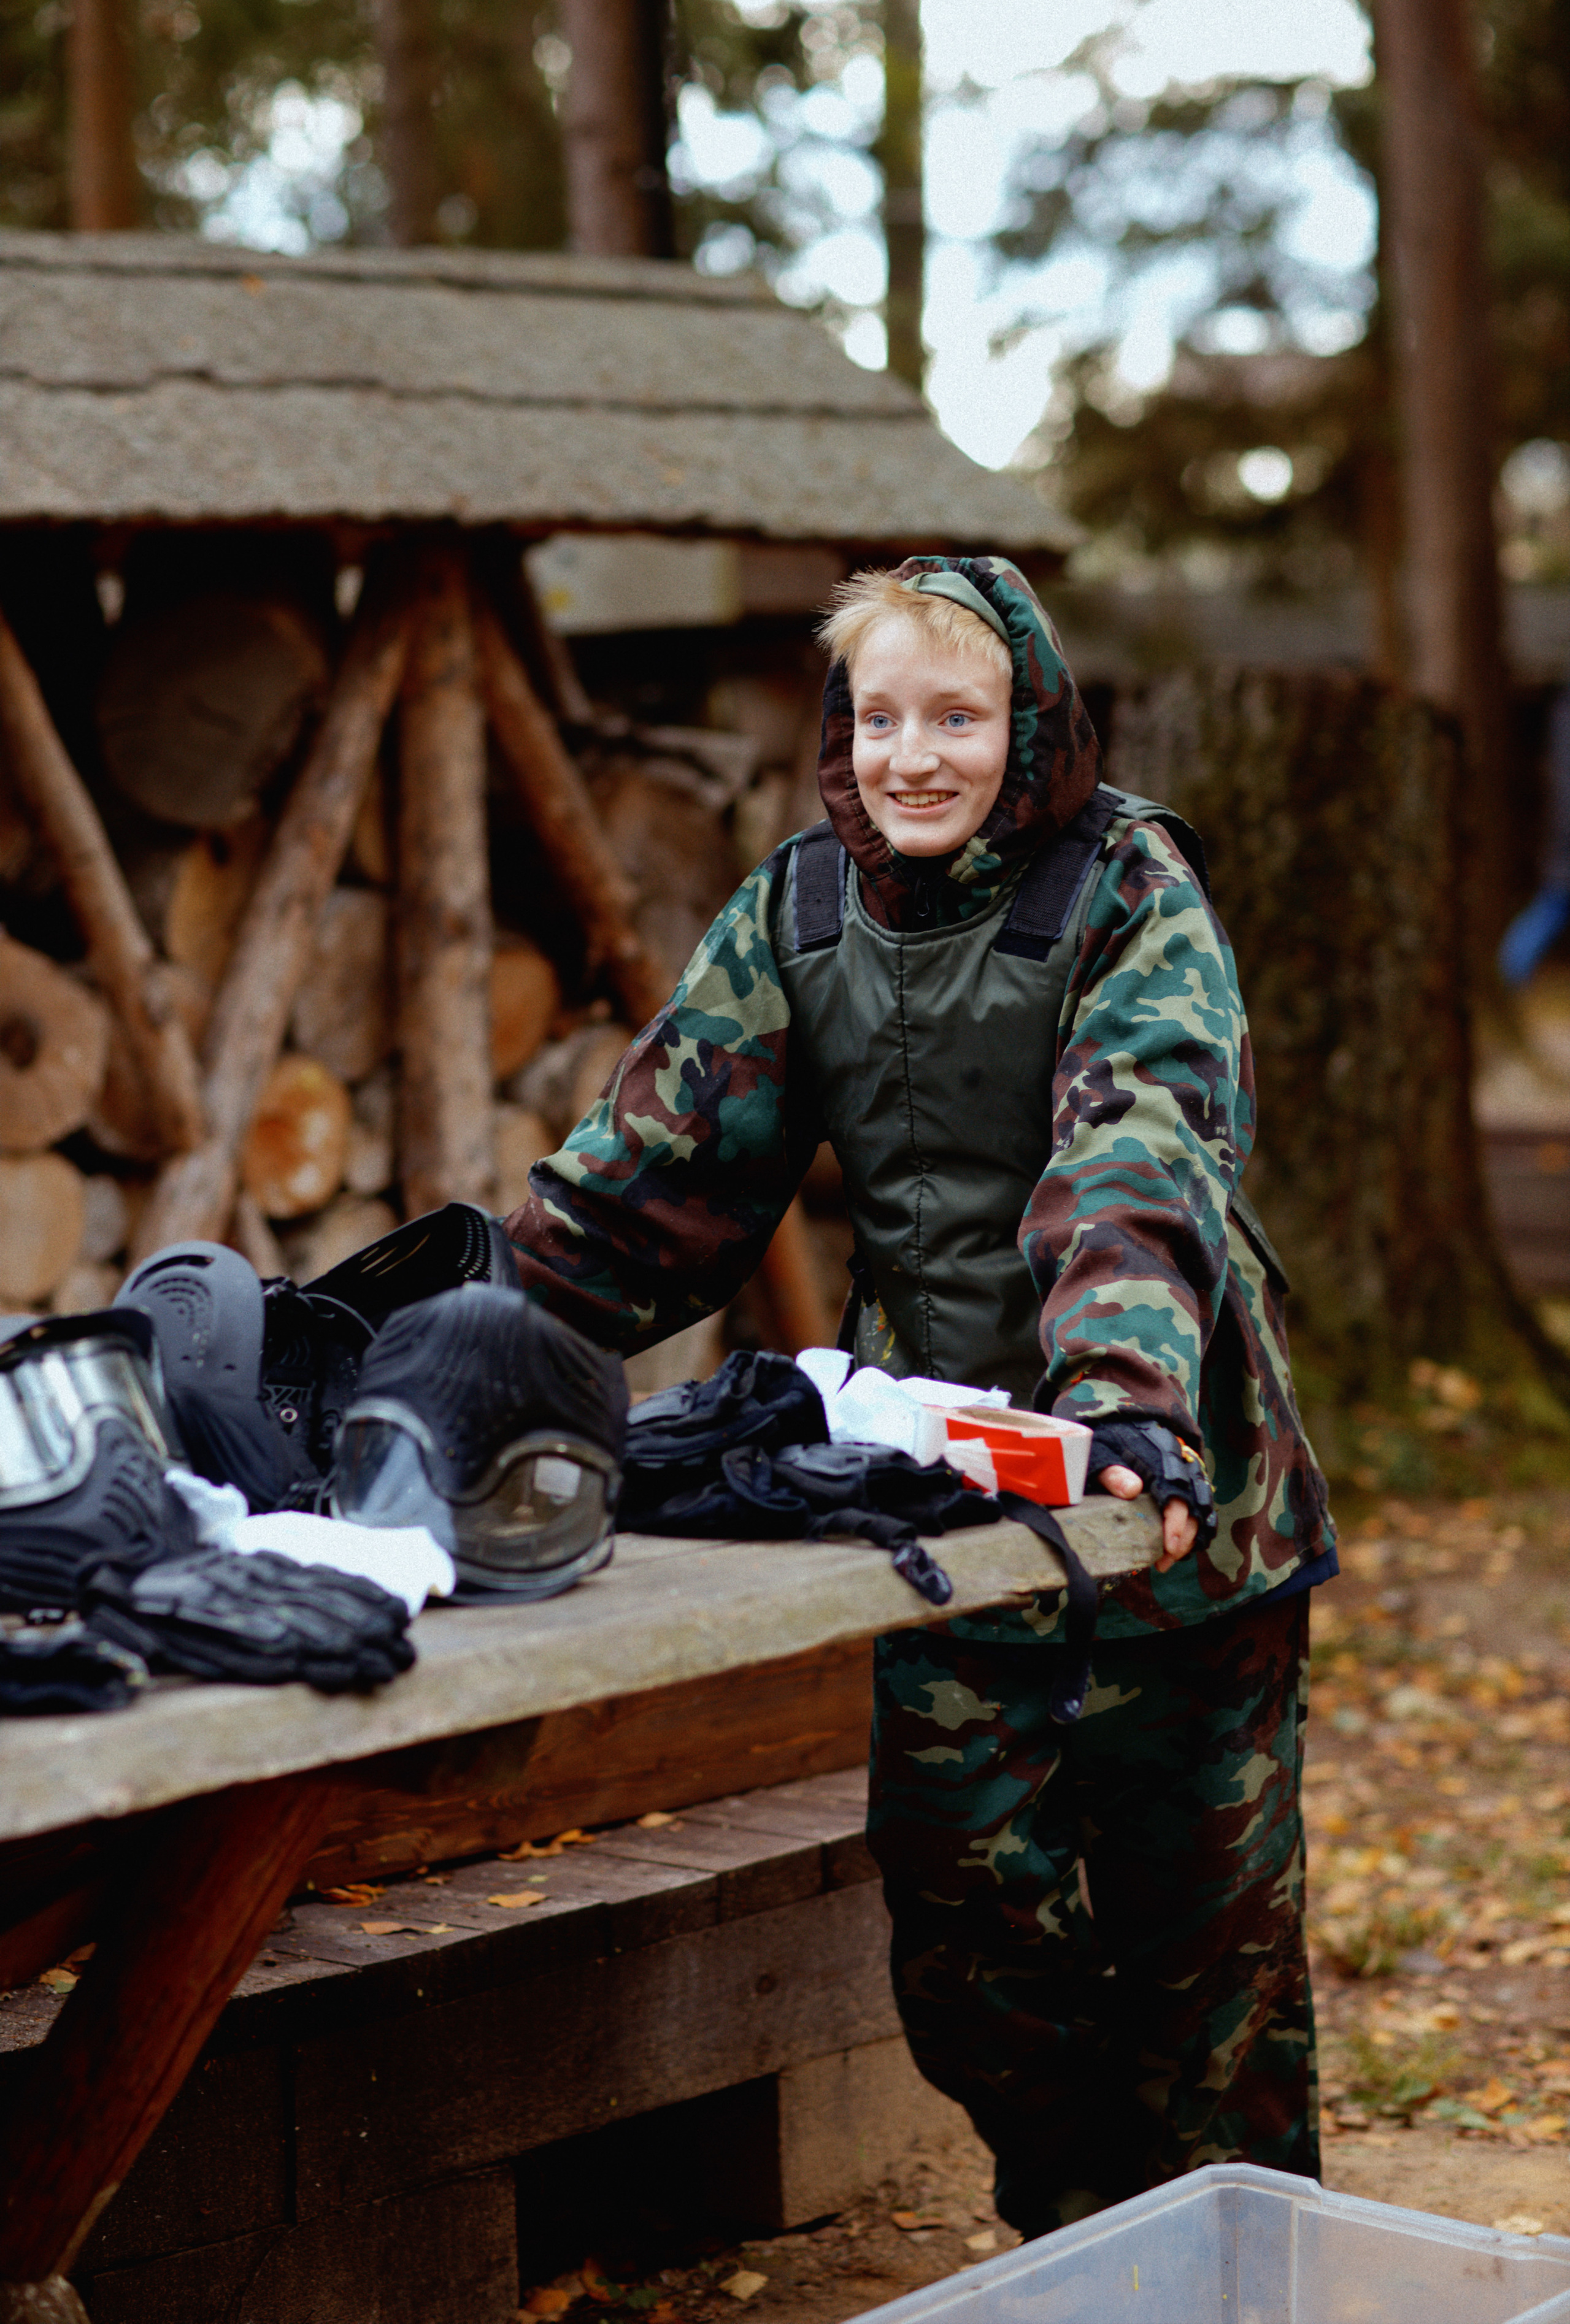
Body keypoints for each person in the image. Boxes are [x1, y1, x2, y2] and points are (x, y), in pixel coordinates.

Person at [505, 554, 1337, 2238]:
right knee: (970, 1942)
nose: (915, 755)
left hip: (1170, 1497)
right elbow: (644, 1187)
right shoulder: (805, 912)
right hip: (946, 1507)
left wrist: (1120, 1402)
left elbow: (1139, 1158)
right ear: (841, 730)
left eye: (957, 716)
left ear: (1029, 724)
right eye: (880, 716)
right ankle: (1090, 2248)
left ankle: (1246, 2269)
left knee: (1208, 1967)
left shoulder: (1129, 888)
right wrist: (440, 1354)